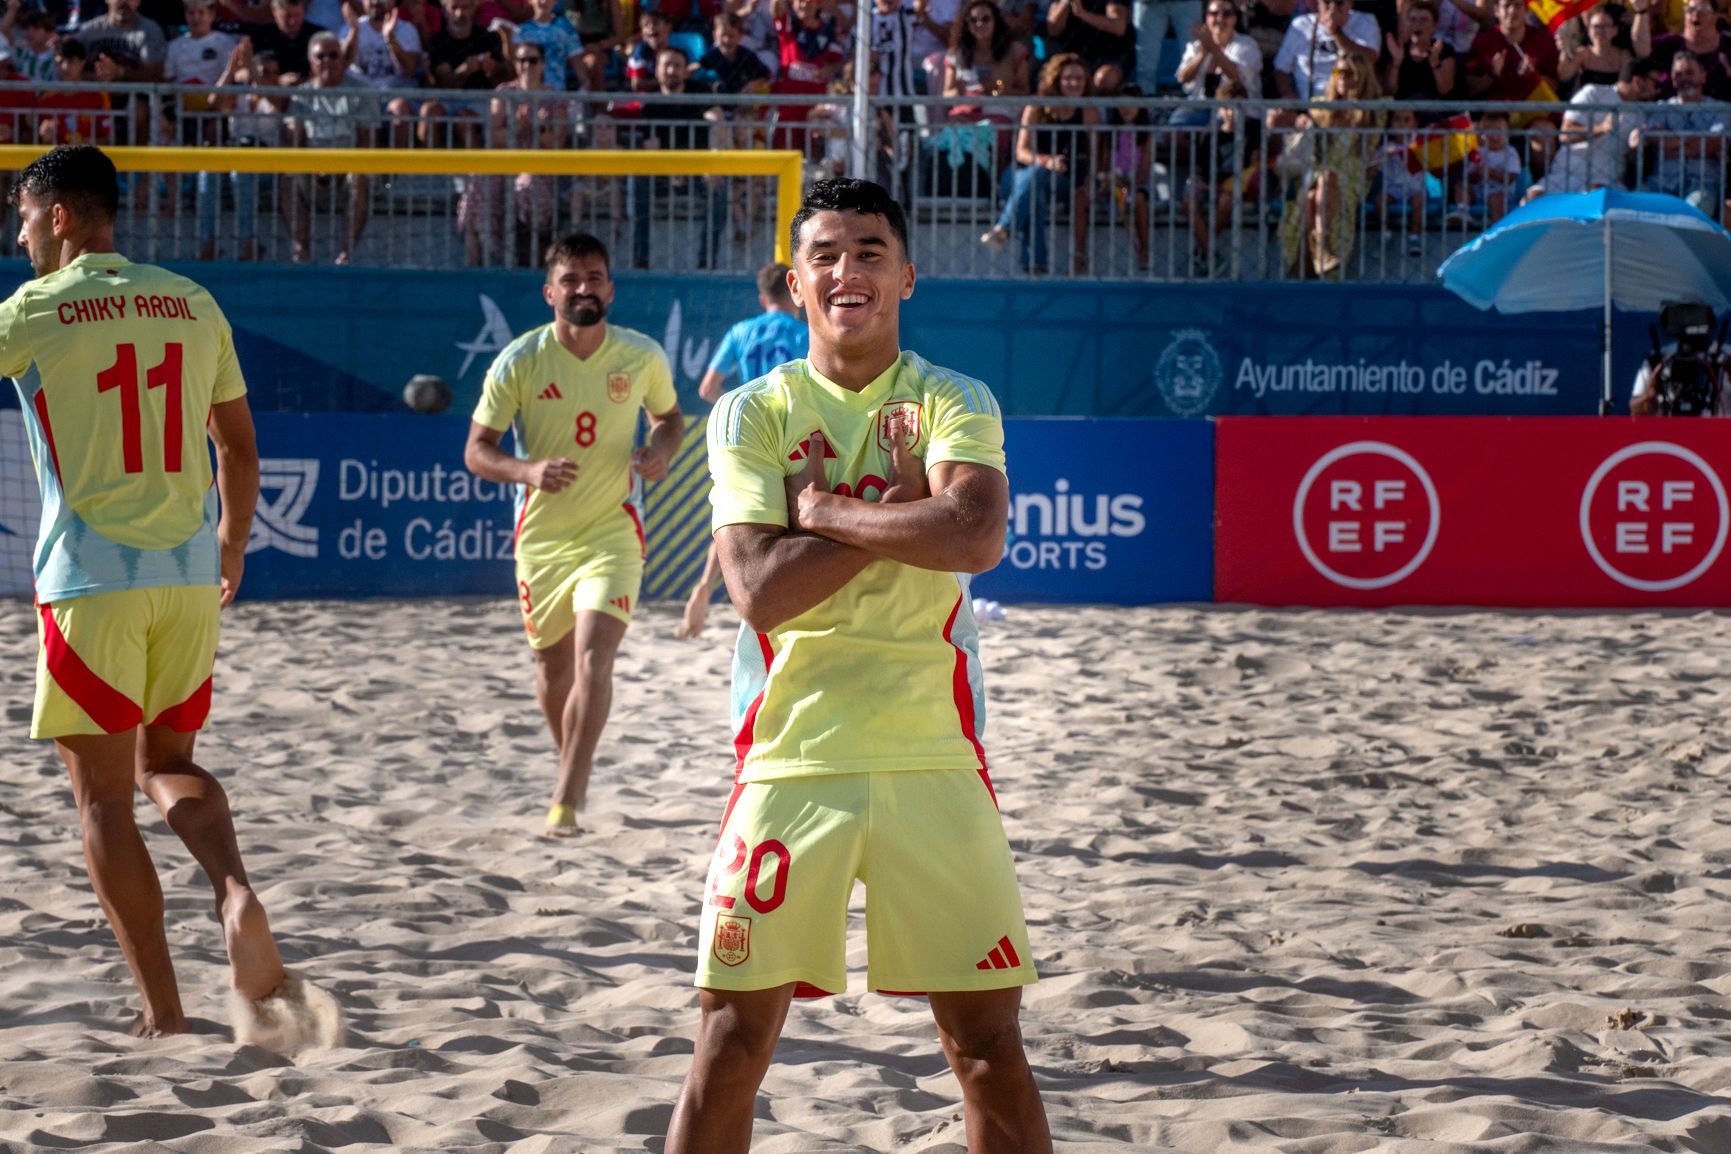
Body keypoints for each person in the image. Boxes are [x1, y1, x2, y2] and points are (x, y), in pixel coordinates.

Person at [663, 174, 1048, 1154]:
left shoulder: (954, 396)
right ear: (795, 283)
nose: (848, 270)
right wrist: (907, 515)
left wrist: (826, 510)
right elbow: (756, 588)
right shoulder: (751, 412)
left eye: (870, 250)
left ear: (908, 276)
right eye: (826, 254)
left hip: (934, 756)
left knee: (988, 1045)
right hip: (793, 759)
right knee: (729, 1037)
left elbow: (975, 532)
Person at [0, 144, 338, 1047]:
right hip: (190, 574)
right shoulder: (191, 303)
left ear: (62, 216)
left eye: (26, 217)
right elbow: (240, 449)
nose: (21, 232)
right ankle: (234, 892)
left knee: (104, 801)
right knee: (166, 762)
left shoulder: (34, 309)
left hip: (91, 580)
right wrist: (230, 545)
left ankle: (165, 1012)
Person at [464, 233, 683, 836]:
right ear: (549, 292)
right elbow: (477, 452)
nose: (584, 288)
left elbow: (669, 419)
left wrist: (661, 450)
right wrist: (526, 470)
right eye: (571, 279)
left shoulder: (639, 356)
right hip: (542, 540)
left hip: (613, 528)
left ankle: (567, 794)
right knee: (551, 669)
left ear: (610, 288)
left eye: (594, 277)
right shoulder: (520, 360)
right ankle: (573, 765)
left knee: (593, 658)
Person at [681, 261, 808, 639]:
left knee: (736, 516)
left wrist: (738, 408)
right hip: (788, 429)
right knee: (793, 516)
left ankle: (704, 585)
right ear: (794, 292)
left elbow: (707, 389)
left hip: (747, 432)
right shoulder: (803, 332)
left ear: (762, 298)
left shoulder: (740, 332)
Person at [979, 52, 1097, 274]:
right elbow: (1021, 152)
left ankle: (1004, 228)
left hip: (1062, 181)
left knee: (1036, 185)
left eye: (1079, 78)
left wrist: (1088, 181)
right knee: (1035, 187)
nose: (1074, 83)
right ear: (1056, 80)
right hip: (1020, 175)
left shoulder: (1089, 113)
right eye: (1068, 78)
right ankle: (1036, 265)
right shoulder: (1037, 106)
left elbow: (1094, 155)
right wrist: (1046, 161)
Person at [1279, 53, 1383, 278]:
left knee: (1324, 183)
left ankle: (1308, 257)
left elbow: (1368, 147)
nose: (1343, 78)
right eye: (1339, 72)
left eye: (1350, 74)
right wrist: (1296, 122)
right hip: (1318, 171)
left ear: (1362, 78)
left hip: (1352, 173)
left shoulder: (1373, 112)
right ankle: (1321, 250)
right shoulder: (1320, 107)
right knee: (1311, 194)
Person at [1634, 49, 1727, 214]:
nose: (1684, 78)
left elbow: (1713, 143)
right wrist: (1697, 141)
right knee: (1636, 201)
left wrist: (1670, 140)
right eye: (1679, 74)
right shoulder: (1660, 108)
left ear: (1703, 76)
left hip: (1702, 183)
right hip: (1660, 182)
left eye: (1690, 73)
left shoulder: (1720, 110)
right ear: (1673, 80)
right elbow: (1657, 141)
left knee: (1696, 209)